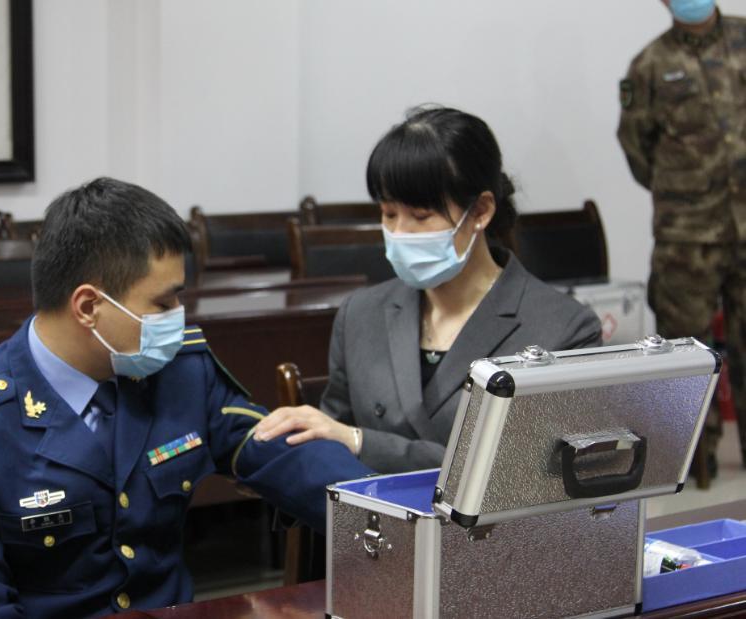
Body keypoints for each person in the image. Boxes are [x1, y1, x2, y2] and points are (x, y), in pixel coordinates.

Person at [0, 178, 372, 618]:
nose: (179, 317)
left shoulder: (180, 373)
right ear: (88, 306)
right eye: (163, 303)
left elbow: (277, 450)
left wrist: (383, 516)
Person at [256, 106, 603, 473]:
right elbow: (331, 450)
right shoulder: (361, 314)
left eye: (421, 216)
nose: (400, 233)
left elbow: (524, 473)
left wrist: (362, 443)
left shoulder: (563, 329)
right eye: (389, 214)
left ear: (481, 211)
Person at [617, 0, 746, 472]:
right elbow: (637, 145)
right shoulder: (650, 64)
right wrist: (685, 190)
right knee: (688, 354)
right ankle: (695, 463)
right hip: (687, 234)